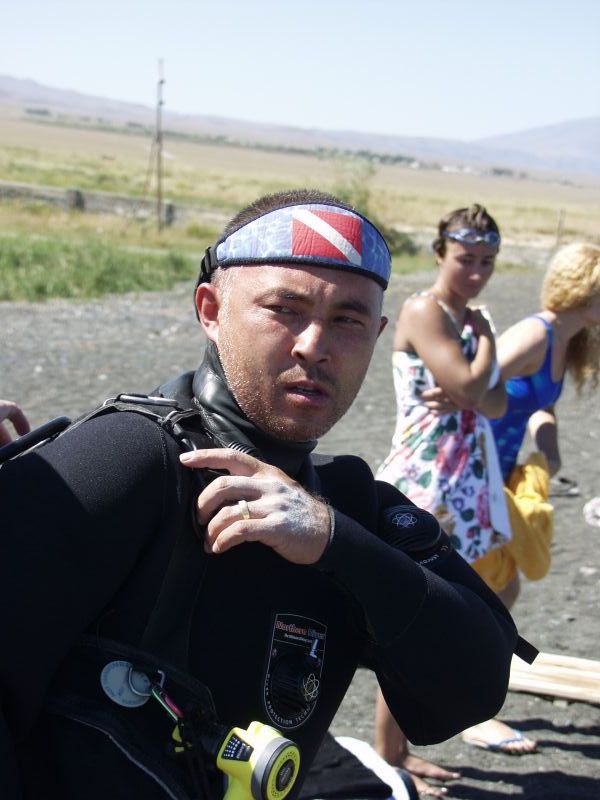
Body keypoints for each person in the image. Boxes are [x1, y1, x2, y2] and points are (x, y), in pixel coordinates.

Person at [0, 190, 527, 800]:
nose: (314, 345)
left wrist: (338, 545)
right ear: (211, 309)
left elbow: (472, 688)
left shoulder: (348, 505)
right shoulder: (129, 459)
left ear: (377, 335)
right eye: (284, 308)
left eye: (348, 320)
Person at [374, 205, 517, 794]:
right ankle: (389, 752)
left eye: (487, 261)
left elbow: (497, 403)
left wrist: (474, 378)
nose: (477, 273)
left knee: (491, 591)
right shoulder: (424, 310)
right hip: (429, 477)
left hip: (467, 481)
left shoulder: (466, 317)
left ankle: (402, 743)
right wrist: (483, 349)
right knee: (415, 611)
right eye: (466, 259)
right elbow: (471, 387)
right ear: (440, 254)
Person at [472, 241, 600, 641]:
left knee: (501, 586)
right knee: (489, 585)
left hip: (500, 475)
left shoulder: (567, 341)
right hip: (472, 472)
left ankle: (461, 662)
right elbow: (472, 389)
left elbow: (541, 406)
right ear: (581, 290)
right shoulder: (535, 334)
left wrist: (549, 455)